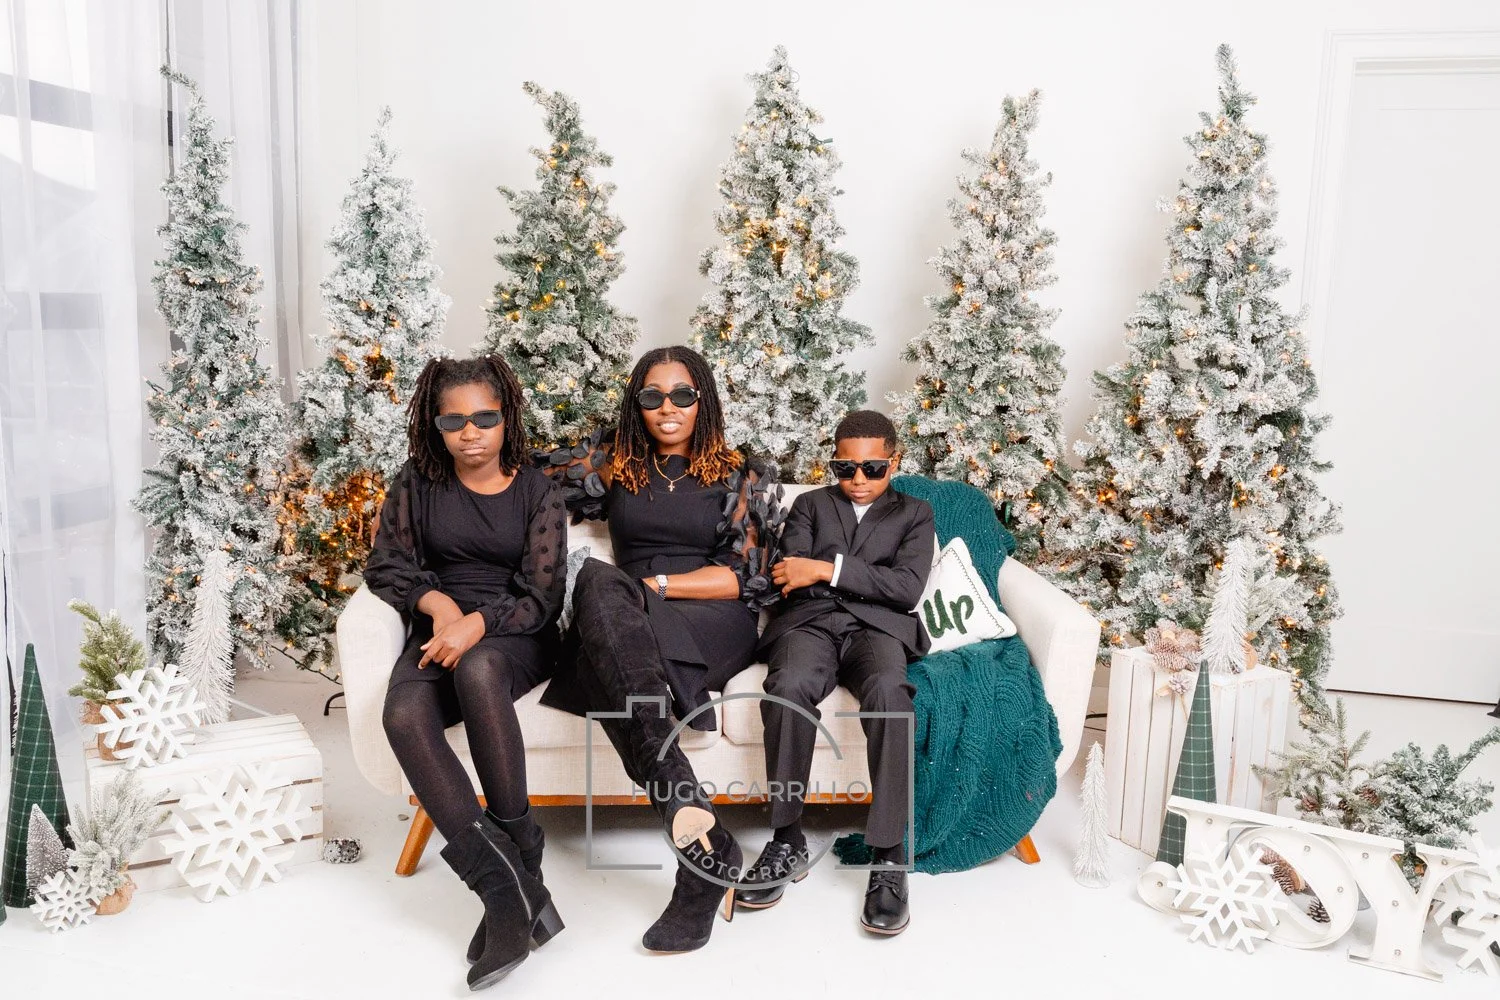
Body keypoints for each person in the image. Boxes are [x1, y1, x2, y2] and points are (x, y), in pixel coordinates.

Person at [538, 345, 781, 953]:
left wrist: (658, 586)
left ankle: (698, 849)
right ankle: (702, 847)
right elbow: (512, 478)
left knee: (606, 651)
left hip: (709, 616)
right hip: (626, 619)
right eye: (652, 396)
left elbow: (747, 575)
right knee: (597, 585)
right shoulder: (614, 462)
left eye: (682, 395)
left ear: (703, 400)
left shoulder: (741, 472)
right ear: (635, 403)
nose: (667, 408)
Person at [365, 355, 566, 990]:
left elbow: (543, 595)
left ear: (507, 418)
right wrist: (440, 607)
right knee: (402, 712)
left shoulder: (538, 491)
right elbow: (386, 565)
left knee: (478, 672)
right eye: (454, 421)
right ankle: (507, 887)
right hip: (441, 626)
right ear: (436, 424)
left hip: (514, 633)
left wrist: (476, 622)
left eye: (484, 418)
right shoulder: (417, 482)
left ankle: (519, 874)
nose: (470, 433)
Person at [737, 409, 935, 935]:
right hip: (812, 624)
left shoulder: (916, 513)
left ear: (895, 462)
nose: (858, 479)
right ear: (833, 464)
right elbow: (789, 575)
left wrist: (827, 568)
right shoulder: (810, 504)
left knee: (891, 693)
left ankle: (889, 856)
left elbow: (907, 589)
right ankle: (786, 840)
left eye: (873, 468)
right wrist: (863, 580)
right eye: (845, 468)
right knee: (787, 687)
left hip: (878, 630)